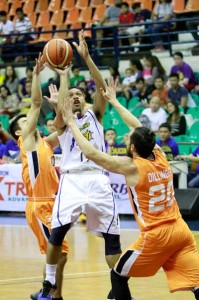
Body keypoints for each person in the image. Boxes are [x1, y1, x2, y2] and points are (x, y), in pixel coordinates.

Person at [62, 76, 199, 300]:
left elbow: (91, 153)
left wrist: (71, 124)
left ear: (133, 148)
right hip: (180, 230)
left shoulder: (132, 167)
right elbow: (137, 125)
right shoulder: (160, 155)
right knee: (196, 283)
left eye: (128, 141)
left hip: (156, 235)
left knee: (118, 276)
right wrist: (114, 102)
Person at [38, 31, 122, 300]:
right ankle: (49, 282)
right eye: (70, 95)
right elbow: (62, 106)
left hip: (98, 178)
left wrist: (87, 58)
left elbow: (101, 88)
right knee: (57, 232)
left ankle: (119, 289)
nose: (74, 97)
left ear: (85, 100)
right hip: (72, 180)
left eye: (78, 94)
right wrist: (64, 77)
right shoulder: (63, 123)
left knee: (112, 237)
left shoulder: (96, 116)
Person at [9, 54, 68, 300]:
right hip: (40, 204)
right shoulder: (28, 140)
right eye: (24, 121)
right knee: (59, 254)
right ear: (18, 131)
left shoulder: (44, 142)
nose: (29, 120)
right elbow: (34, 104)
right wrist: (36, 75)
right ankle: (48, 294)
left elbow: (63, 125)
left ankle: (55, 295)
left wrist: (63, 83)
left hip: (52, 203)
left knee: (58, 254)